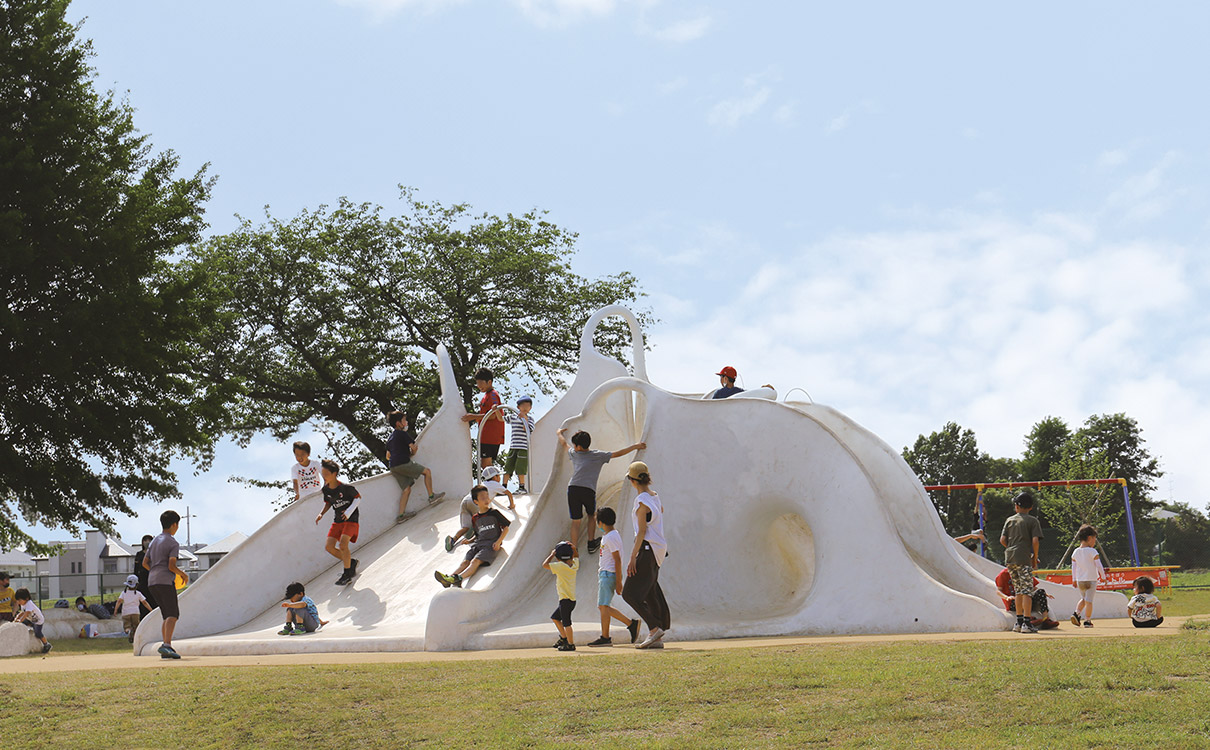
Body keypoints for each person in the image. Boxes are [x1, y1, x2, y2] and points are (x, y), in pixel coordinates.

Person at [555, 427, 646, 554]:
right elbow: (616, 453)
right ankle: (591, 543)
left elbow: (564, 444)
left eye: (575, 445)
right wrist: (635, 446)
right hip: (588, 490)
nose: (574, 447)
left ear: (579, 447)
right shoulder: (598, 455)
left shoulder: (574, 454)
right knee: (591, 516)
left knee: (576, 521)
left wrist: (559, 433)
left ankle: (573, 550)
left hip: (573, 489)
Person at [622, 461, 671, 649]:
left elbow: (641, 531)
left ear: (633, 481)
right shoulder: (654, 497)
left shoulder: (642, 502)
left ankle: (654, 628)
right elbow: (660, 512)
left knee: (629, 594)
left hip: (647, 548)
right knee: (650, 592)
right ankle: (656, 637)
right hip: (658, 550)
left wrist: (633, 557)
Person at [435, 486, 511, 588]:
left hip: (489, 545)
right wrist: (469, 540)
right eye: (482, 498)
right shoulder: (475, 518)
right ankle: (449, 578)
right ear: (476, 501)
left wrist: (498, 541)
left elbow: (506, 527)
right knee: (464, 563)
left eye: (487, 496)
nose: (486, 499)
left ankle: (458, 578)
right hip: (477, 544)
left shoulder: (494, 513)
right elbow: (477, 533)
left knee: (475, 561)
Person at [587, 507, 640, 647]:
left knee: (603, 606)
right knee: (603, 606)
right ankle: (630, 624)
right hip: (606, 574)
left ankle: (606, 636)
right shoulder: (611, 535)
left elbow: (617, 560)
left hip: (608, 574)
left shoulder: (611, 537)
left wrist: (618, 581)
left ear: (601, 522)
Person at [385, 410, 445, 524]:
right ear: (399, 423)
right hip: (403, 462)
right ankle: (432, 497)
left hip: (393, 466)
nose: (406, 422)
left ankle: (401, 516)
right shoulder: (402, 434)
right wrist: (411, 453)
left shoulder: (390, 438)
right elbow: (414, 448)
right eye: (404, 420)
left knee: (406, 489)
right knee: (427, 472)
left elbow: (388, 456)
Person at [143, 509, 187, 658]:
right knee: (173, 614)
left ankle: (166, 647)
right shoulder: (173, 542)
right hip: (165, 581)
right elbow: (171, 566)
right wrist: (183, 575)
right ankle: (166, 645)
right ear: (174, 525)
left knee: (166, 615)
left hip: (152, 582)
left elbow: (145, 562)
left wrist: (155, 570)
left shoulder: (154, 540)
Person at [1000, 491, 1043, 634]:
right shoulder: (1032, 521)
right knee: (1027, 592)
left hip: (1010, 558)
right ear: (1030, 507)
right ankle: (1027, 623)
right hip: (1024, 559)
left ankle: (1017, 623)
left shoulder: (1009, 520)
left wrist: (1011, 549)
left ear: (1017, 506)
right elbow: (1035, 540)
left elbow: (1002, 540)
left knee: (1018, 590)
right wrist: (1034, 556)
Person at [444, 468, 514, 552]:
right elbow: (508, 493)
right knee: (483, 519)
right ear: (494, 477)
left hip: (465, 501)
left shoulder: (482, 484)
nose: (499, 478)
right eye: (498, 476)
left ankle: (453, 539)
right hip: (476, 503)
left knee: (465, 527)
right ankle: (474, 529)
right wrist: (512, 505)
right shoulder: (495, 484)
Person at [314, 459, 361, 586]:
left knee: (343, 545)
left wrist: (349, 512)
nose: (324, 477)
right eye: (322, 475)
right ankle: (351, 562)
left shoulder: (346, 488)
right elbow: (328, 503)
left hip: (351, 520)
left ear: (334, 473)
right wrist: (321, 514)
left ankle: (347, 574)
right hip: (338, 521)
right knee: (329, 547)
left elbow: (358, 498)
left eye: (326, 474)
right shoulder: (326, 490)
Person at [461, 367, 505, 469]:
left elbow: (494, 415)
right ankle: (493, 483)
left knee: (486, 465)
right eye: (477, 383)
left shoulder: (493, 395)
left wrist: (474, 416)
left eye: (481, 383)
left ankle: (495, 484)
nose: (478, 386)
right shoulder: (486, 395)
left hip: (491, 436)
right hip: (486, 435)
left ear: (489, 382)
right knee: (484, 465)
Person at [994, 568, 1059, 630]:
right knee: (1021, 596)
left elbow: (1033, 587)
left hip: (1027, 601)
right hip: (1014, 602)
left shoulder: (1024, 572)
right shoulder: (1004, 574)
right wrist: (1006, 597)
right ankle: (1027, 619)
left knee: (1040, 591)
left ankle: (1045, 619)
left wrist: (1045, 594)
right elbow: (998, 590)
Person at [544, 541, 579, 652]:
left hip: (565, 600)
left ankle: (570, 644)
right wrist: (574, 548)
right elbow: (577, 556)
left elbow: (544, 565)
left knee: (566, 623)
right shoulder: (574, 565)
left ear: (558, 557)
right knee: (555, 617)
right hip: (571, 600)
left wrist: (551, 555)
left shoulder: (560, 566)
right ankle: (564, 638)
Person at [1069, 524, 1106, 628]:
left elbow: (1074, 567)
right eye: (1094, 539)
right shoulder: (1092, 551)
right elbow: (1099, 565)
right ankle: (1087, 620)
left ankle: (1076, 613)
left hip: (1080, 580)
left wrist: (1074, 579)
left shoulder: (1075, 552)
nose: (1095, 541)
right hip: (1091, 580)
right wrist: (1103, 577)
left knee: (1083, 599)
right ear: (1089, 538)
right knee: (1089, 601)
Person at [501, 396, 536, 494]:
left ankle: (522, 487)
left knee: (520, 468)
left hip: (523, 447)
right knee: (508, 467)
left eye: (528, 406)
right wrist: (496, 410)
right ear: (518, 407)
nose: (525, 407)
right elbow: (501, 419)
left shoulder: (530, 419)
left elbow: (528, 430)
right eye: (523, 405)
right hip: (513, 446)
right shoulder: (513, 417)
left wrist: (524, 418)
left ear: (530, 408)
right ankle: (503, 487)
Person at [114, 574, 151, 643]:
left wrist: (115, 610)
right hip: (135, 612)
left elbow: (119, 601)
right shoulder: (138, 593)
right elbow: (144, 602)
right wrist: (150, 610)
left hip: (126, 613)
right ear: (136, 584)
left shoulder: (124, 593)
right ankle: (135, 638)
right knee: (136, 626)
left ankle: (128, 631)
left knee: (127, 626)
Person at [13, 588, 51, 653]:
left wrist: (20, 621)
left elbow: (26, 614)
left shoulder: (29, 603)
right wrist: (16, 618)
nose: (18, 602)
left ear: (26, 598)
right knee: (24, 623)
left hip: (38, 621)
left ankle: (46, 644)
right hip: (32, 620)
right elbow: (22, 612)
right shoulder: (23, 605)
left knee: (38, 633)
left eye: (19, 600)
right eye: (17, 600)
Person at [291, 440, 323, 505]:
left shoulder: (315, 464)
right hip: (304, 497)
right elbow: (295, 482)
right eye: (297, 455)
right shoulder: (295, 468)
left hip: (317, 494)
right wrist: (297, 493)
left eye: (302, 454)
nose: (300, 457)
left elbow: (325, 475)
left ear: (308, 454)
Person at [133, 534, 156, 610]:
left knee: (153, 598)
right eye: (145, 540)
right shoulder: (139, 554)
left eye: (149, 540)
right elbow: (136, 569)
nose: (147, 542)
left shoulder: (155, 554)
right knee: (143, 599)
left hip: (153, 579)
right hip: (142, 580)